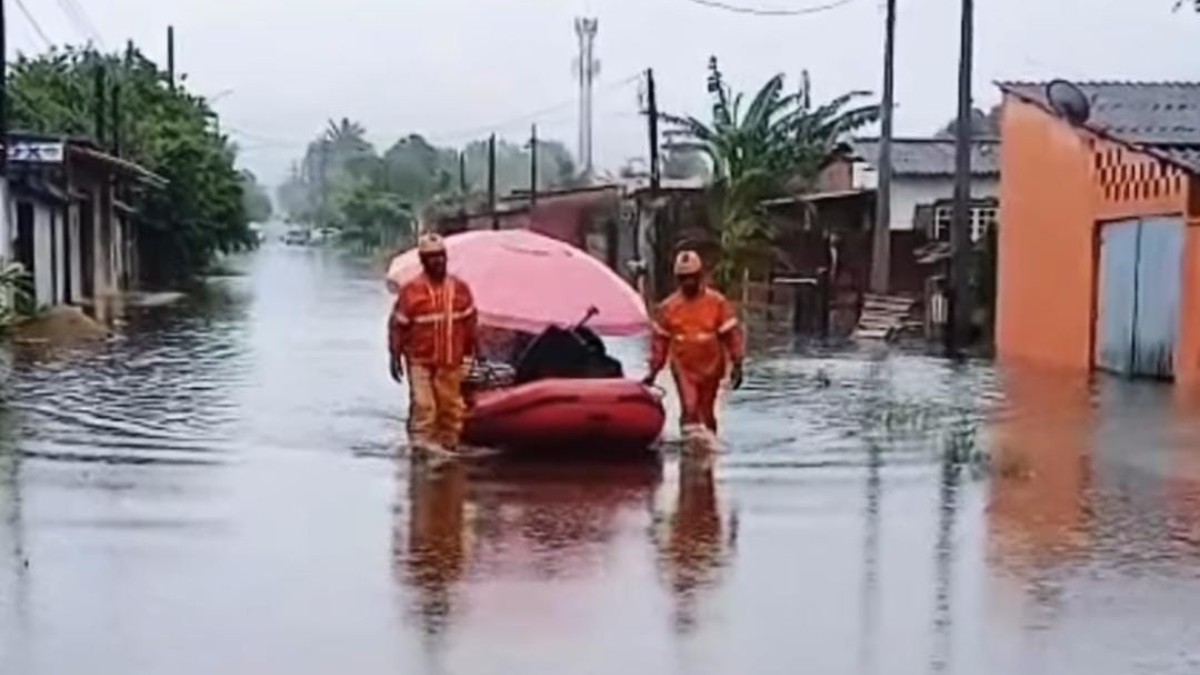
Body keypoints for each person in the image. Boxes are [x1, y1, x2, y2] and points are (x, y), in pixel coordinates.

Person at [389, 233, 478, 454]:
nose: (438, 261)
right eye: (432, 257)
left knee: (451, 409)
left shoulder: (460, 289)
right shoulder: (411, 291)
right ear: (423, 260)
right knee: (424, 407)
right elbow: (398, 326)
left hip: (450, 360)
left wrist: (474, 352)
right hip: (420, 360)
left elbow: (470, 324)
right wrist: (395, 356)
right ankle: (420, 451)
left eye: (441, 256)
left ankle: (448, 447)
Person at [643, 250, 745, 436]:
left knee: (706, 412)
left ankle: (709, 447)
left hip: (712, 367)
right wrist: (653, 371)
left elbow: (732, 335)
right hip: (684, 367)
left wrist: (737, 364)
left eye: (692, 277)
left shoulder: (717, 303)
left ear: (700, 276)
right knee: (690, 408)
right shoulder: (668, 308)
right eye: (683, 278)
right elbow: (659, 343)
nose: (688, 282)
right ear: (677, 279)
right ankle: (689, 448)